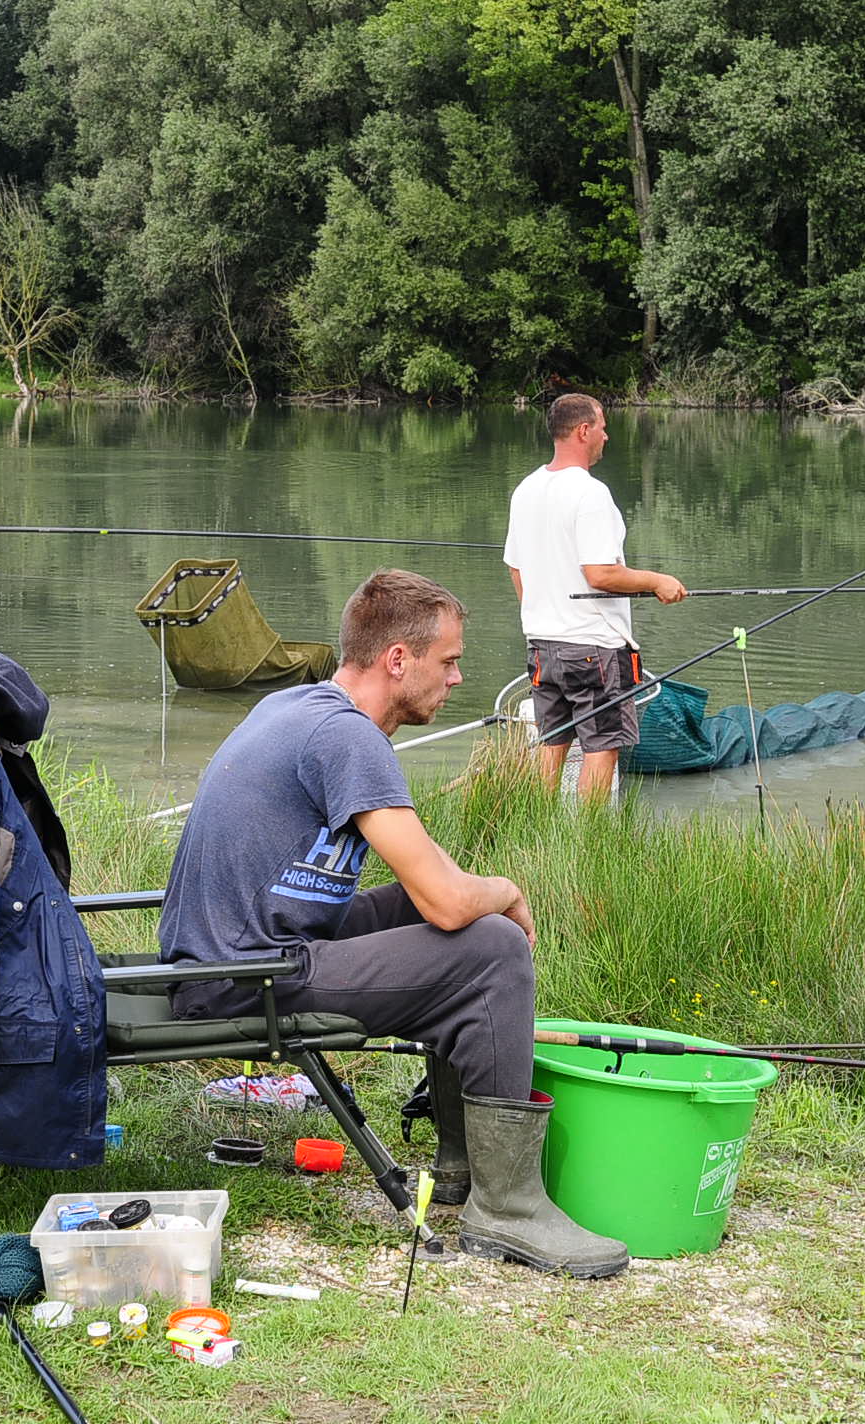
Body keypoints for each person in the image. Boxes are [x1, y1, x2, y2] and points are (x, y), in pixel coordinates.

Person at [157, 570, 629, 1279]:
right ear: (398, 659)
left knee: (433, 912)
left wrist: (477, 893)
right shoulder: (348, 738)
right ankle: (508, 1208)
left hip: (232, 956)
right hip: (244, 979)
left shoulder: (297, 705)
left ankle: (461, 1165)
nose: (458, 678)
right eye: (449, 660)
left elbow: (427, 878)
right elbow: (449, 902)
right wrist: (506, 890)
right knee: (494, 948)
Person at [503, 393, 685, 801]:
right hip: (595, 647)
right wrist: (658, 581)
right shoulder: (591, 493)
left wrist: (542, 614)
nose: (607, 435)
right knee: (603, 745)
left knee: (551, 742)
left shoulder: (526, 489)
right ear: (583, 431)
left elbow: (516, 568)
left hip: (542, 644)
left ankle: (537, 823)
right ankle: (588, 833)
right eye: (602, 426)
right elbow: (601, 573)